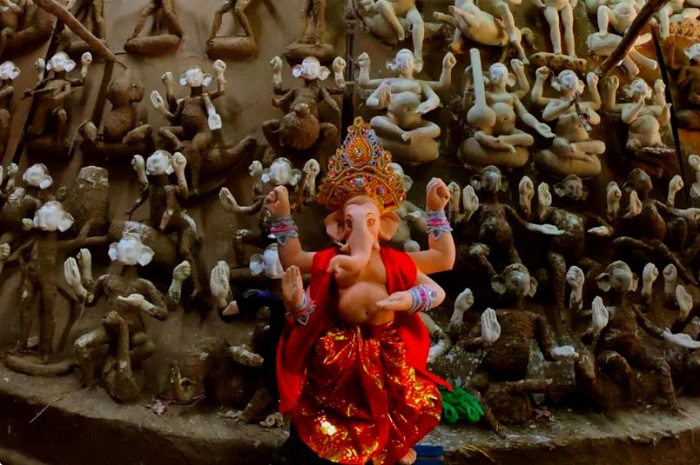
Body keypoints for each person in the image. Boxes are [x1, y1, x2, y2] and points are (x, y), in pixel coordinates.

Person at [266, 117, 453, 465]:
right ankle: (342, 446)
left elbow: (442, 263)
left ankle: (391, 445)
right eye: (350, 224)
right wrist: (283, 217)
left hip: (386, 343)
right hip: (339, 346)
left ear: (382, 226)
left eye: (368, 223)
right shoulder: (330, 261)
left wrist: (436, 213)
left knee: (398, 396)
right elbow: (293, 259)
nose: (360, 233)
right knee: (337, 403)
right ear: (338, 227)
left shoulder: (396, 262)